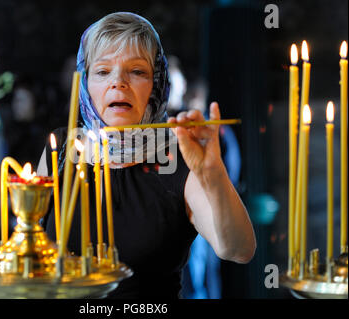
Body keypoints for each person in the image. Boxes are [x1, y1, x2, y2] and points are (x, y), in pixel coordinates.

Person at [37, 12, 256, 299]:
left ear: (157, 83)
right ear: (85, 84)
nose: (118, 82)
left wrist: (213, 175)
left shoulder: (177, 158)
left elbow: (238, 249)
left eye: (137, 71)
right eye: (103, 72)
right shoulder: (62, 148)